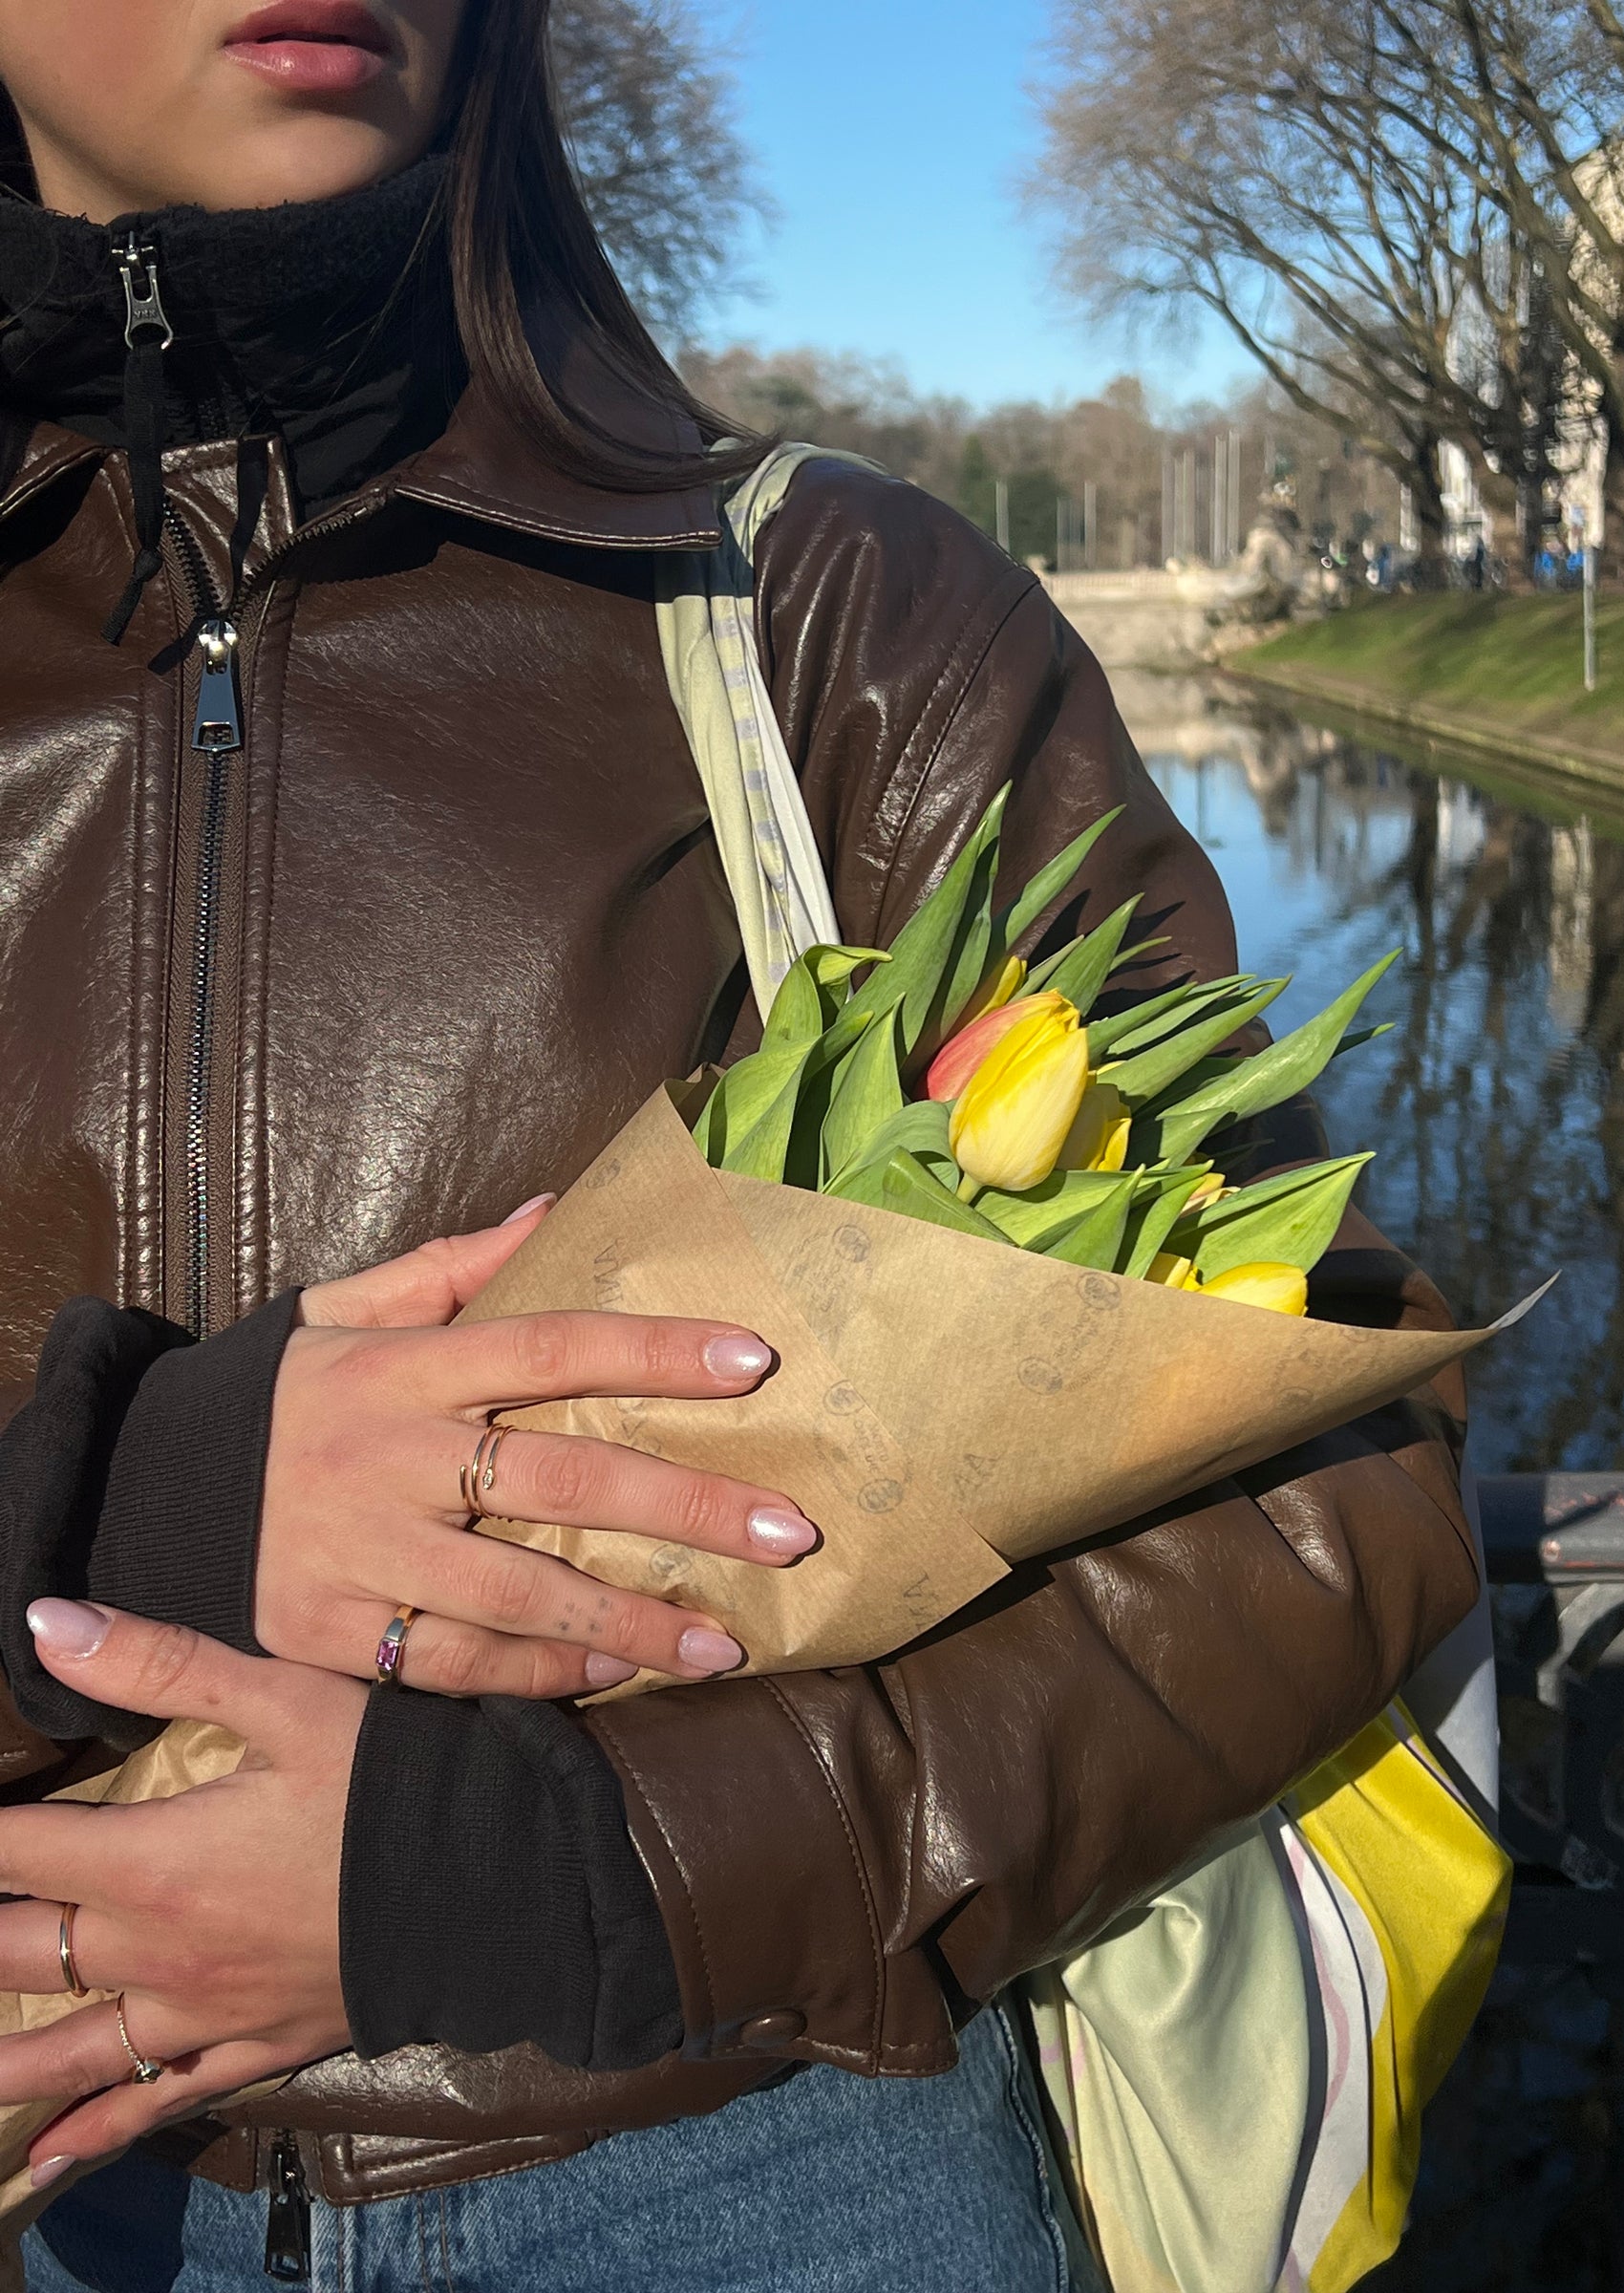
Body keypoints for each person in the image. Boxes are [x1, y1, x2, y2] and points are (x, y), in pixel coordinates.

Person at [0, 4, 1482, 2286]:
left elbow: (1336, 1479)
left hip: (763, 2137)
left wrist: (595, 1870)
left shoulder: (828, 615)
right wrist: (140, 1512)